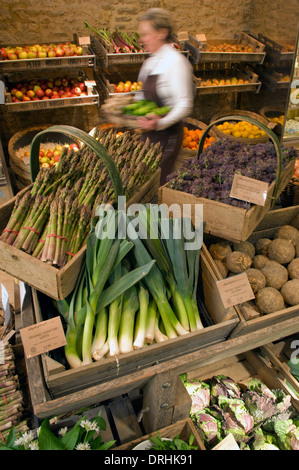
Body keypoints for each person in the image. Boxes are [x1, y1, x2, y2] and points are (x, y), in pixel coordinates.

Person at [135, 8, 195, 184]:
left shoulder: (176, 63)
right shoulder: (150, 62)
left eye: (146, 34)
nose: (142, 39)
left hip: (167, 137)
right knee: (141, 181)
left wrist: (159, 122)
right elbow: (141, 95)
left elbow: (184, 104)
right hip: (148, 134)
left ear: (162, 33)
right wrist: (130, 112)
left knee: (157, 184)